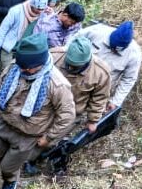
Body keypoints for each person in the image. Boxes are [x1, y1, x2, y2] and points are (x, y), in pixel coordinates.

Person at [0, 33, 76, 189]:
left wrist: (48, 138)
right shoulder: (16, 66)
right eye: (21, 66)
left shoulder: (57, 85)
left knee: (8, 166)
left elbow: (67, 116)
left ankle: (10, 179)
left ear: (39, 63)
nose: (23, 70)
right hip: (4, 123)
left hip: (27, 135)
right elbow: (2, 85)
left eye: (28, 68)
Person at [24, 36, 111, 173]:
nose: (70, 68)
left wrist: (93, 120)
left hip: (72, 112)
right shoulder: (53, 56)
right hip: (45, 105)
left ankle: (34, 159)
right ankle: (23, 157)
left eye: (75, 66)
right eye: (69, 64)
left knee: (50, 139)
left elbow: (99, 98)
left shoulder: (101, 72)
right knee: (32, 132)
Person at [77, 21, 142, 110]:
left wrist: (116, 101)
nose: (113, 51)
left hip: (100, 91)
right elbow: (73, 41)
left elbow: (129, 79)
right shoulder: (96, 31)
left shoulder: (134, 54)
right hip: (77, 79)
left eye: (116, 51)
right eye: (112, 47)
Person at [0, 0, 50, 75]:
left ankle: (1, 82)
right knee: (6, 69)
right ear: (32, 4)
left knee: (15, 73)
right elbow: (4, 27)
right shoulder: (17, 11)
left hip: (25, 49)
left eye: (42, 9)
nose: (39, 11)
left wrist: (50, 15)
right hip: (10, 46)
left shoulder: (44, 15)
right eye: (37, 8)